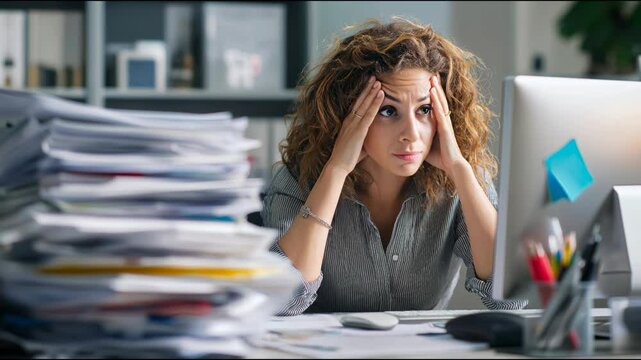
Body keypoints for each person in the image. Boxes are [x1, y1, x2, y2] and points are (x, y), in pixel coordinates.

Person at [261, 17, 526, 315]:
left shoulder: (461, 178)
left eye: (425, 110)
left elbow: (510, 297)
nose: (411, 134)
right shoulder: (298, 179)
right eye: (388, 110)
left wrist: (461, 170)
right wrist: (335, 171)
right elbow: (283, 301)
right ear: (346, 115)